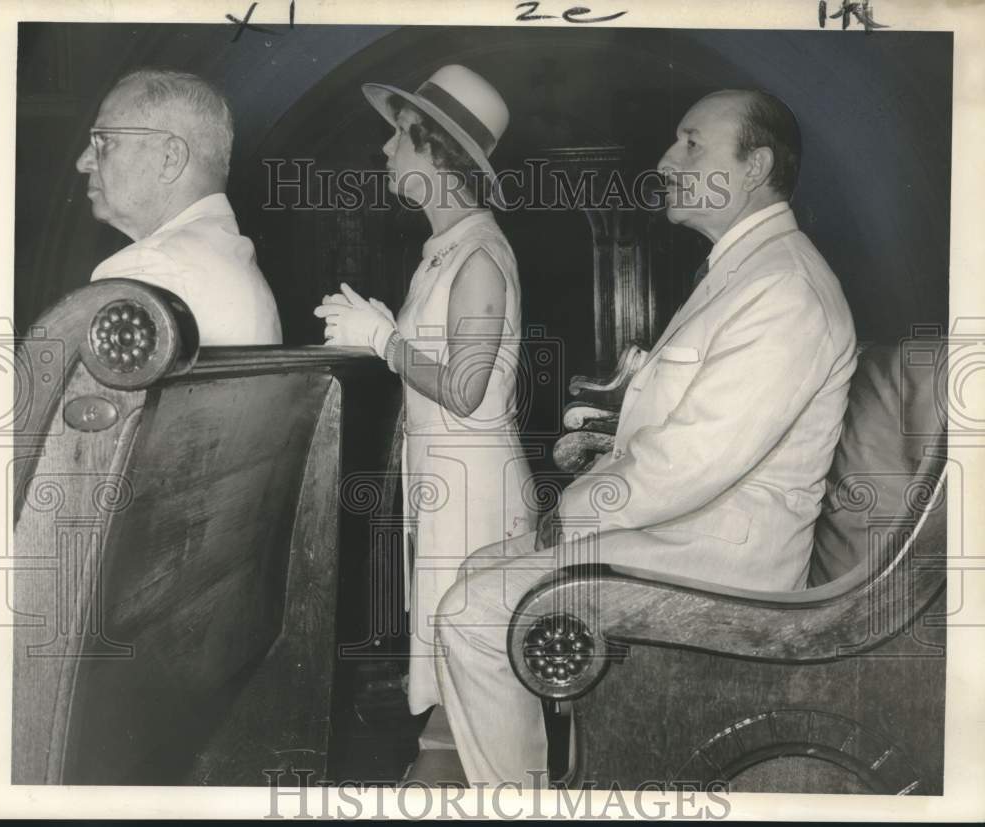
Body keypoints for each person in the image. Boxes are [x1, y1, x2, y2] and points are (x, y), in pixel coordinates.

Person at [430, 89, 858, 786]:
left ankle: (520, 801)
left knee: (472, 612)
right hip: (686, 533)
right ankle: (556, 780)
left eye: (692, 143)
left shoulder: (786, 287)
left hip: (724, 570)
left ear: (756, 166)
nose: (666, 159)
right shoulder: (743, 269)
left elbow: (693, 461)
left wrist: (566, 515)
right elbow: (691, 431)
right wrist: (611, 431)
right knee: (479, 571)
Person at [314, 66, 535, 758]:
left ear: (436, 152)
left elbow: (466, 389)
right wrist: (389, 332)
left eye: (399, 140)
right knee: (455, 687)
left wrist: (382, 341)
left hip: (476, 494)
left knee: (486, 690)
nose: (386, 152)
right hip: (447, 487)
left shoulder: (477, 256)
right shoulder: (445, 251)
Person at [75, 68, 282, 346]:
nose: (84, 162)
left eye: (105, 141)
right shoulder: (229, 254)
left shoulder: (149, 268)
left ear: (170, 158)